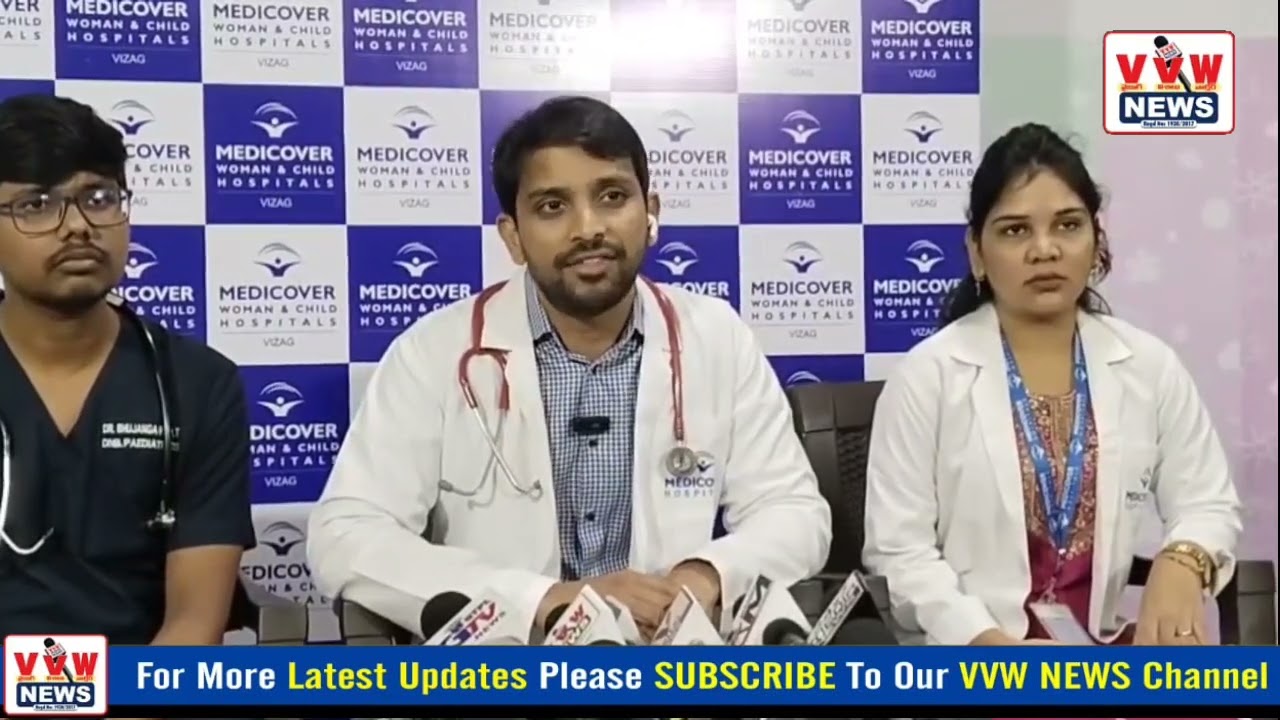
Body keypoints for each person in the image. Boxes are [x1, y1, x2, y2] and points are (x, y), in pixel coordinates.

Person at [308, 95, 831, 639]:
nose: (588, 228)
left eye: (612, 196)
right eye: (553, 206)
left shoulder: (716, 337)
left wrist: (704, 577)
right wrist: (542, 600)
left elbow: (794, 512)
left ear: (651, 211)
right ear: (513, 236)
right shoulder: (435, 351)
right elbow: (346, 535)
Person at [862, 123, 1241, 646]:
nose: (1045, 249)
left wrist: (1184, 557)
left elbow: (1208, 502)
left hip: (1103, 656)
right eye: (1015, 231)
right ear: (976, 252)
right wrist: (986, 642)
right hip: (976, 661)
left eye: (1068, 225)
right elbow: (898, 553)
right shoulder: (928, 376)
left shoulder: (1148, 366)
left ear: (1097, 240)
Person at [0, 94, 255, 644]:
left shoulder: (197, 382)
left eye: (99, 198)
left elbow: (194, 621)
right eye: (36, 204)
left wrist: (131, 693)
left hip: (140, 680)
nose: (77, 226)